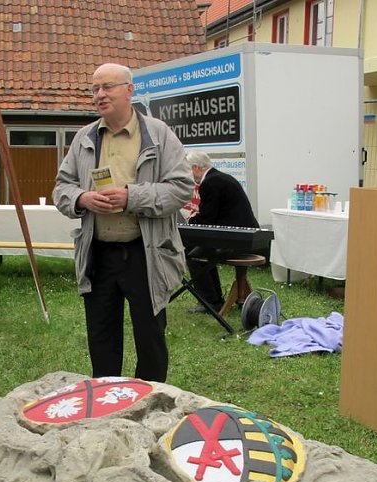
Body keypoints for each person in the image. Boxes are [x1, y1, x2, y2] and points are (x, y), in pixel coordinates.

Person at [53, 63, 193, 383]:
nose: (100, 95)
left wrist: (132, 197)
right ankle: (106, 407)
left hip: (147, 254)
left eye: (108, 87)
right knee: (101, 341)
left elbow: (181, 188)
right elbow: (61, 188)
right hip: (99, 255)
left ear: (129, 90)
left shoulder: (158, 135)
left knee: (150, 340)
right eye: (95, 89)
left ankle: (152, 402)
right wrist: (82, 199)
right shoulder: (84, 138)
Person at [184, 151, 259, 313]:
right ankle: (213, 298)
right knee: (202, 251)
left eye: (187, 170)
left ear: (196, 168)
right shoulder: (219, 178)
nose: (188, 175)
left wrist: (190, 220)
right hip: (245, 237)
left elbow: (207, 220)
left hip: (236, 240)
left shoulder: (209, 183)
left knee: (194, 254)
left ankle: (210, 301)